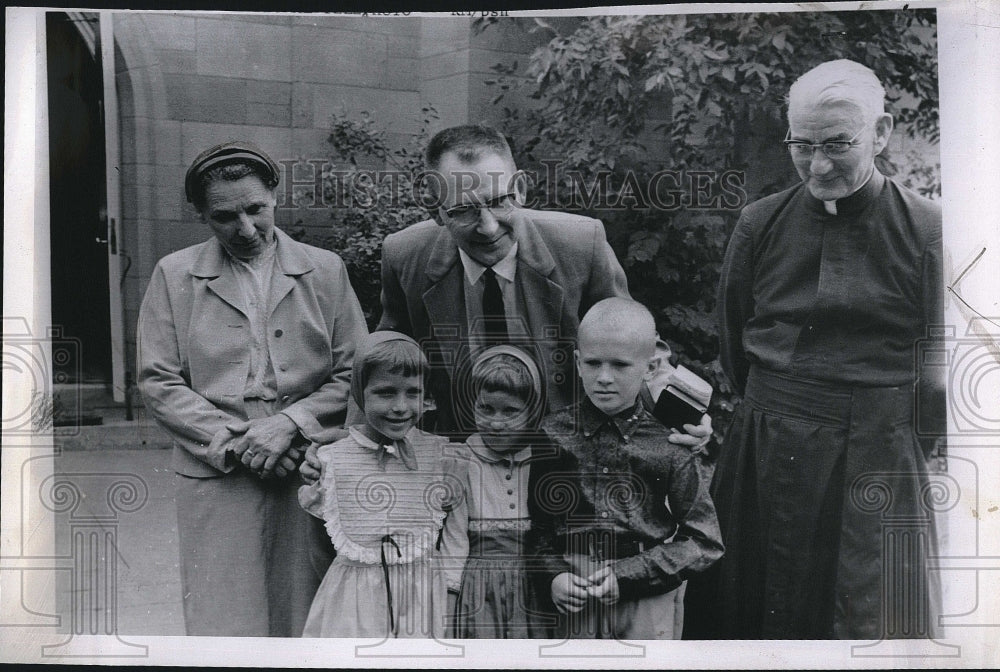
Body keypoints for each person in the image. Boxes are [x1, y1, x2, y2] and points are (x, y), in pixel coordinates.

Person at [702, 59, 946, 639]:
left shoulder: (930, 229)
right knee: (754, 609)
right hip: (768, 441)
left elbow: (940, 361)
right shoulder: (759, 223)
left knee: (873, 613)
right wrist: (776, 404)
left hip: (879, 445)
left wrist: (896, 431)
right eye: (801, 144)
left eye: (838, 144)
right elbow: (735, 340)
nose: (818, 165)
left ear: (881, 132)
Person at [137, 141, 368, 636]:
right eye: (225, 216)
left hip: (306, 465)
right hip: (215, 467)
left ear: (274, 198)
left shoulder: (324, 270)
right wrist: (243, 443)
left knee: (307, 615)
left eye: (255, 209)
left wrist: (289, 424)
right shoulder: (174, 274)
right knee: (223, 618)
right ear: (201, 215)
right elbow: (158, 380)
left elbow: (357, 373)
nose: (245, 228)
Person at [377, 124, 631, 437]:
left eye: (499, 201)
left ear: (521, 188)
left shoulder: (581, 243)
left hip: (570, 446)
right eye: (463, 210)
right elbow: (383, 360)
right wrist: (353, 445)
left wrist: (680, 411)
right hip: (464, 449)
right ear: (436, 211)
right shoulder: (404, 255)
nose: (488, 226)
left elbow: (635, 344)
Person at [528, 298, 724, 639]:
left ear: (649, 369)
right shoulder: (553, 434)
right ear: (577, 362)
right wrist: (553, 575)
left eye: (620, 365)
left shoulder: (670, 442)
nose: (604, 377)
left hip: (646, 596)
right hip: (576, 595)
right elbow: (539, 528)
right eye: (593, 363)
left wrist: (633, 573)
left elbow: (705, 540)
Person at [298, 332, 462, 638]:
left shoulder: (439, 456)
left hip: (421, 602)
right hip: (354, 605)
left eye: (413, 393)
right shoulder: (333, 461)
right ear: (361, 393)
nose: (401, 406)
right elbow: (319, 547)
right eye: (385, 393)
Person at [443, 345, 553, 638]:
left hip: (534, 588)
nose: (496, 422)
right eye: (486, 408)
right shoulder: (463, 461)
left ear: (533, 412)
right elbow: (454, 542)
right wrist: (448, 608)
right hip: (480, 593)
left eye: (511, 411)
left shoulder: (544, 460)